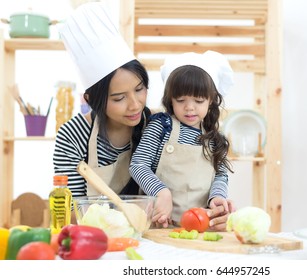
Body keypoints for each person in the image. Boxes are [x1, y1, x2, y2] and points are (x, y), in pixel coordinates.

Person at [130, 51, 236, 231]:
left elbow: (220, 175)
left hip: (202, 227)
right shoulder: (161, 127)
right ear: (170, 99)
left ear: (211, 101)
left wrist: (217, 197)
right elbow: (138, 165)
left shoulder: (215, 139)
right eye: (181, 100)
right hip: (161, 223)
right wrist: (161, 193)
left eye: (199, 100)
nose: (189, 107)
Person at [53, 3, 150, 197]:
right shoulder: (72, 135)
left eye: (139, 89)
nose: (135, 104)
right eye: (119, 98)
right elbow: (72, 208)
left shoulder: (157, 125)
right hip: (91, 227)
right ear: (90, 100)